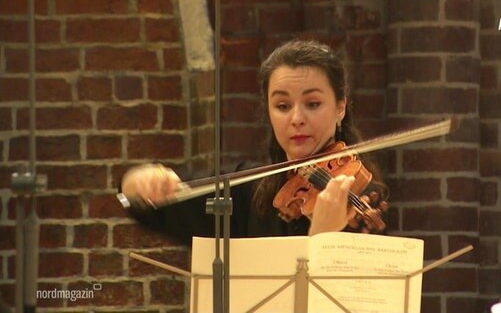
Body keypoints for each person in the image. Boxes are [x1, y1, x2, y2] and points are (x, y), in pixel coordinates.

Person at [120, 40, 389, 244]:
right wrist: (140, 181)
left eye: (313, 103)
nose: (296, 118)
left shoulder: (361, 196)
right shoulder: (251, 191)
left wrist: (324, 238)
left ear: (340, 107)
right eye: (282, 105)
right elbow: (157, 210)